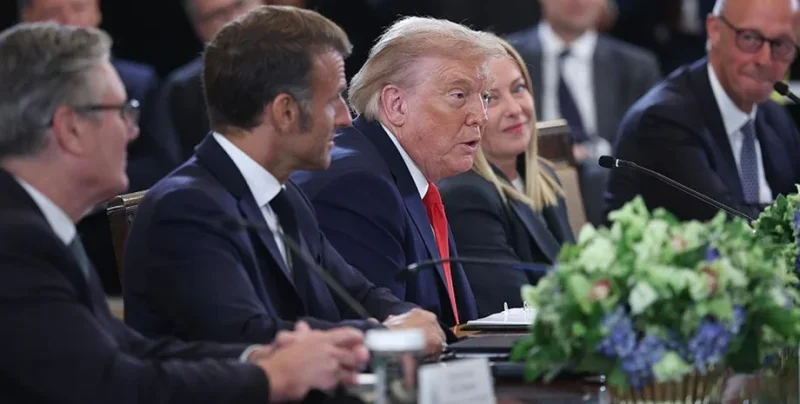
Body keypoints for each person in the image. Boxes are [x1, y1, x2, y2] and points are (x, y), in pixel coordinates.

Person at [0, 21, 369, 403]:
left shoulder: (34, 228)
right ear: (71, 128)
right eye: (122, 110)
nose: (132, 131)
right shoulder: (16, 244)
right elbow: (111, 386)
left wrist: (259, 359)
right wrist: (270, 377)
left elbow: (130, 350)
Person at [123, 6, 445, 357]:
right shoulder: (185, 209)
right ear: (285, 111)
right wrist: (386, 336)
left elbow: (358, 295)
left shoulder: (285, 194)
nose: (344, 118)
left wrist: (409, 317)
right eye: (332, 100)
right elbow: (249, 335)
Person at [292, 17, 506, 329]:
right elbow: (385, 337)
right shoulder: (357, 187)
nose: (481, 116)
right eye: (459, 95)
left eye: (484, 97)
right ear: (396, 105)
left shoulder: (402, 172)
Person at [604, 0, 800, 222]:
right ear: (714, 30)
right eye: (749, 38)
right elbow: (728, 224)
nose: (765, 60)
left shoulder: (775, 119)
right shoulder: (663, 121)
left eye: (781, 45)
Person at [438, 36, 575, 317]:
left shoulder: (545, 178)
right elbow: (513, 309)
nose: (515, 109)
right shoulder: (465, 196)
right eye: (490, 98)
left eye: (518, 88)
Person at [505, 0, 661, 226]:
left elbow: (649, 150)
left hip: (610, 199)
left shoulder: (637, 67)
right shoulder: (505, 58)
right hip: (528, 188)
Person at [148, 0, 263, 162]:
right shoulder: (182, 92)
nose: (236, 20)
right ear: (199, 28)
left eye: (240, 5)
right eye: (218, 15)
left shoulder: (299, 61)